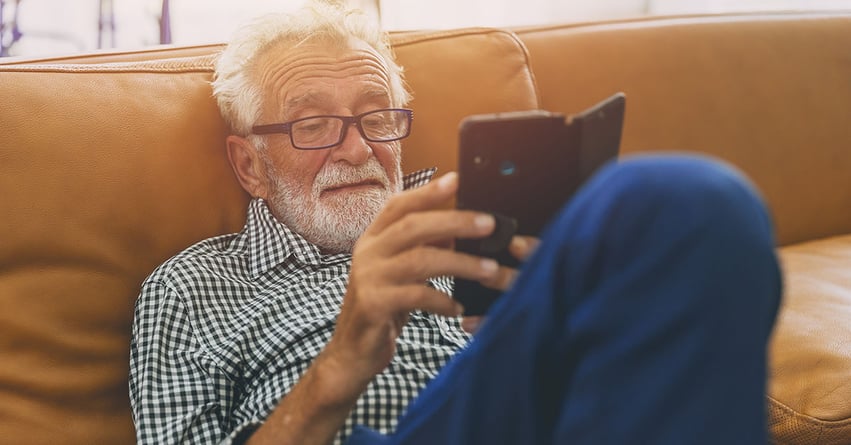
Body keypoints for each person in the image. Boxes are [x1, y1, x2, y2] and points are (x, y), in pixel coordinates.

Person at [129, 2, 782, 445]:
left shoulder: (465, 207)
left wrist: (551, 305)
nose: (356, 149)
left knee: (692, 203)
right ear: (249, 165)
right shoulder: (188, 286)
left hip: (540, 412)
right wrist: (341, 362)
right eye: (312, 124)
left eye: (376, 115)